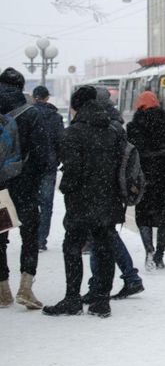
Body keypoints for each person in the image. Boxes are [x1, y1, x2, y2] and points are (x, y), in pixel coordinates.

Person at [42, 85, 126, 318]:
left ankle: (72, 299)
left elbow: (73, 171)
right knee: (104, 246)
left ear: (76, 106)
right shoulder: (113, 130)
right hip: (108, 199)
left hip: (81, 201)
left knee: (72, 246)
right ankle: (101, 301)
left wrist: (66, 187)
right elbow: (121, 166)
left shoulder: (73, 133)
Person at [82, 87, 144, 301]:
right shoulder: (115, 122)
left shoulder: (105, 125)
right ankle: (115, 280)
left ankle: (121, 279)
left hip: (102, 189)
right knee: (105, 235)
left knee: (103, 235)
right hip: (111, 189)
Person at [0, 68, 48, 309]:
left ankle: (2, 291)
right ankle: (26, 288)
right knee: (29, 236)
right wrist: (34, 178)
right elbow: (43, 156)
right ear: (20, 87)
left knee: (0, 237)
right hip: (25, 186)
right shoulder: (31, 113)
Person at [126, 90, 165, 270]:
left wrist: (129, 179)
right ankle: (160, 255)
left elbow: (128, 155)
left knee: (143, 217)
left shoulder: (132, 126)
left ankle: (149, 250)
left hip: (143, 177)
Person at [31, 85, 65, 252]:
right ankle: (41, 239)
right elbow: (61, 141)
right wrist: (57, 158)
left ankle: (30, 237)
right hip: (49, 166)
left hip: (30, 166)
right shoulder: (55, 117)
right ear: (47, 98)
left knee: (29, 202)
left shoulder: (28, 114)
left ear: (33, 97)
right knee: (46, 204)